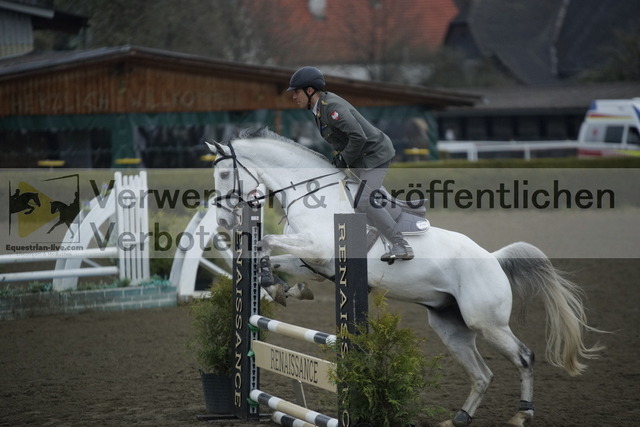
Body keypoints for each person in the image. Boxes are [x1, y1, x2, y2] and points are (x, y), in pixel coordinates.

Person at [287, 66, 414, 263]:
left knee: (363, 200)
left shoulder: (333, 108)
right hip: (361, 156)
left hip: (374, 155)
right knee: (347, 196)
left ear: (309, 90)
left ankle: (401, 244)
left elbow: (358, 136)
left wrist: (343, 159)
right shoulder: (319, 108)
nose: (294, 96)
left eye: (296, 91)